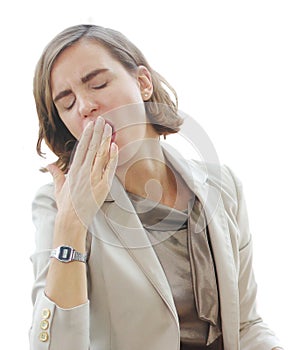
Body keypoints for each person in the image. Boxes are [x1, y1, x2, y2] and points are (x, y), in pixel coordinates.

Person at [29, 24, 284, 350]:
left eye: (98, 84)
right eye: (66, 104)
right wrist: (71, 224)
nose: (84, 106)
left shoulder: (223, 186)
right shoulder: (56, 204)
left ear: (143, 83)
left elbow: (246, 325)